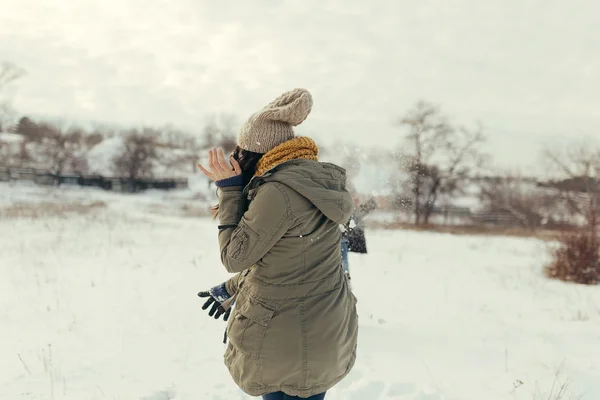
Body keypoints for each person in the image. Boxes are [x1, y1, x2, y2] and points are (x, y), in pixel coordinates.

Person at [196, 88, 358, 400]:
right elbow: (285, 264)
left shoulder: (278, 193)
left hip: (286, 341)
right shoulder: (310, 184)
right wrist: (230, 289)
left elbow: (234, 256)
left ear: (254, 154)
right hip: (322, 333)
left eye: (240, 152)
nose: (236, 159)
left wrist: (230, 191)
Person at [340, 181, 377, 290]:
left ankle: (346, 284)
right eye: (355, 197)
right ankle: (345, 285)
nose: (357, 199)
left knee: (344, 265)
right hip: (340, 241)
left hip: (343, 240)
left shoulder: (351, 210)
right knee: (343, 265)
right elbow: (355, 217)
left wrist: (371, 204)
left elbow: (357, 216)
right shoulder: (346, 209)